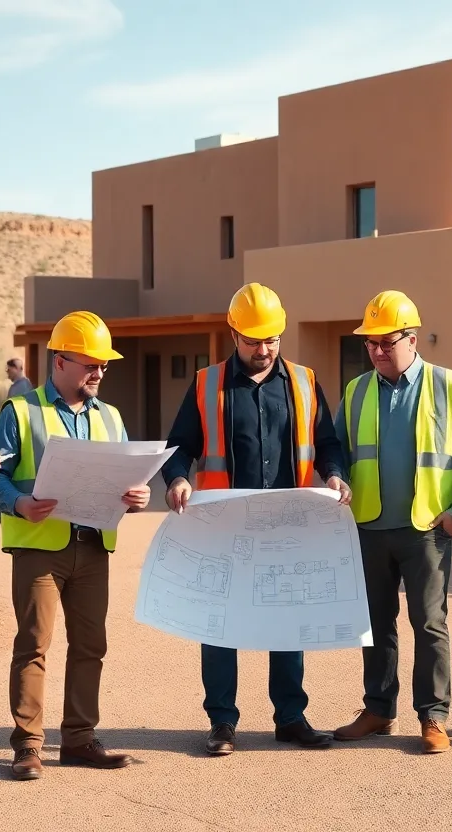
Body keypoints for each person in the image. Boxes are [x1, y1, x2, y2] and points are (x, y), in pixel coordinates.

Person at [162, 283, 351, 756]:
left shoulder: (305, 383)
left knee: (286, 620)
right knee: (220, 624)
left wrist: (334, 473)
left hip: (288, 526)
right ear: (234, 334)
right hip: (226, 526)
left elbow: (327, 443)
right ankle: (222, 722)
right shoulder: (206, 384)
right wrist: (178, 478)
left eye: (271, 339)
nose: (263, 350)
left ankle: (290, 717)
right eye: (252, 341)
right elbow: (180, 445)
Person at [0, 310, 149, 780]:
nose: (99, 373)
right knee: (33, 644)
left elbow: (129, 476)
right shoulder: (20, 411)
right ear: (59, 361)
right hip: (40, 549)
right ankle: (27, 745)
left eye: (103, 365)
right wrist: (19, 502)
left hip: (93, 547)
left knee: (91, 645)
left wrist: (138, 496)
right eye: (90, 364)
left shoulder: (111, 417)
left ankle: (79, 738)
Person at [332, 290, 452, 754]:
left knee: (429, 623)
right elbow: (336, 450)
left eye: (387, 342)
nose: (378, 351)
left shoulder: (446, 385)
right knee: (376, 623)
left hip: (427, 530)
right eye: (371, 343)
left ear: (412, 340)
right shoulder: (356, 391)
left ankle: (434, 717)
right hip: (370, 526)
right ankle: (379, 709)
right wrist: (335, 478)